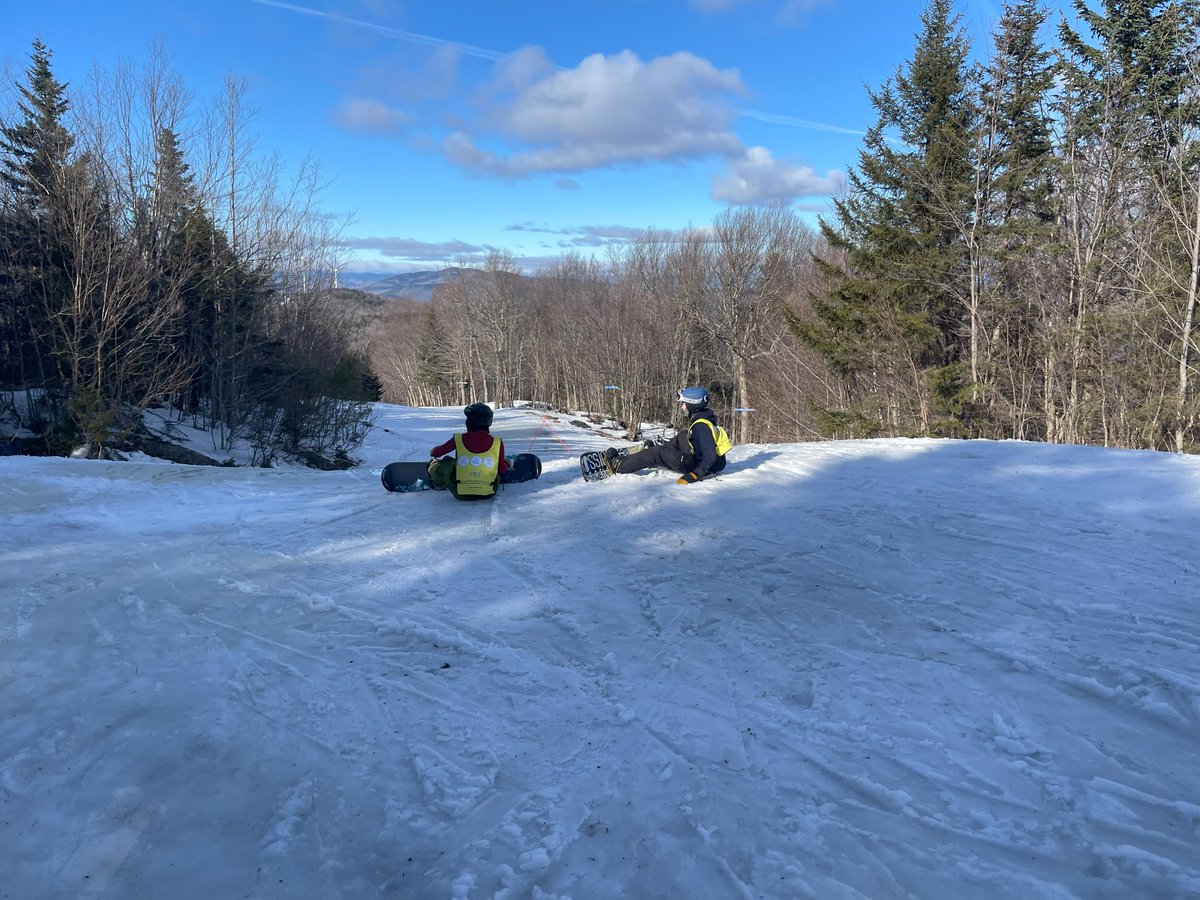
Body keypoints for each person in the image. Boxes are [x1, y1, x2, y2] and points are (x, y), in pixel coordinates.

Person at [604, 387, 728, 484]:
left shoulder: (700, 425)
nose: (682, 407)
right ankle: (667, 452)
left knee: (656, 452)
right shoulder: (705, 418)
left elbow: (710, 453)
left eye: (683, 403)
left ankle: (619, 465)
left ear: (692, 404)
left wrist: (697, 473)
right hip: (712, 462)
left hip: (696, 464)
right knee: (684, 435)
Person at [428, 403, 509, 500]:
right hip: (489, 492)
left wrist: (433, 451)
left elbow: (437, 453)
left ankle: (438, 482)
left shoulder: (458, 439)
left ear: (469, 422)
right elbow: (501, 469)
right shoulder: (497, 442)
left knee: (443, 463)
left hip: (460, 492)